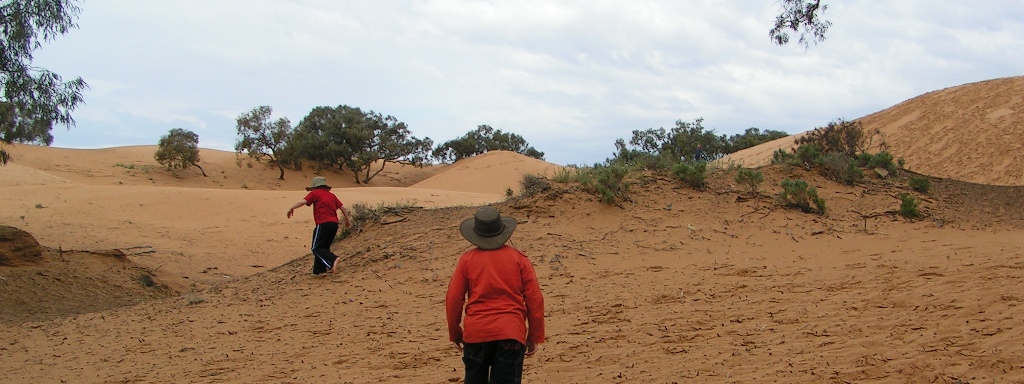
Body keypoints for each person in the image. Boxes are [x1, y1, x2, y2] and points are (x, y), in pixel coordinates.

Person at [446, 206, 545, 384]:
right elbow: (534, 299)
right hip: (511, 332)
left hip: (476, 333)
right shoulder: (519, 259)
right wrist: (534, 336)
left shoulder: (466, 260)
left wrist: (455, 332)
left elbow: (454, 297)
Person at [286, 176, 351, 275]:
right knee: (324, 247)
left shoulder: (315, 193)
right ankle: (319, 271)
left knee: (316, 248)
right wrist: (347, 220)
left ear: (314, 187)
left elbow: (303, 201)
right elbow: (342, 207)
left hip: (323, 223)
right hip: (334, 224)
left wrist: (291, 208)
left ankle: (333, 260)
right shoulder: (331, 195)